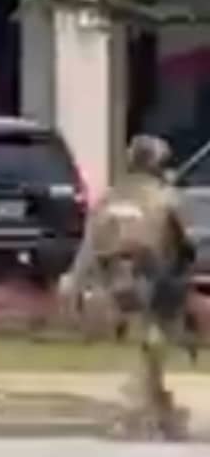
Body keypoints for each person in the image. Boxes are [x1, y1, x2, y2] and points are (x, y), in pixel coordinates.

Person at [67, 134, 195, 440]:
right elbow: (186, 245)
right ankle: (149, 402)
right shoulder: (166, 197)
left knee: (145, 339)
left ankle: (150, 399)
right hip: (149, 279)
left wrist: (77, 285)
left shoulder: (109, 197)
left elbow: (88, 247)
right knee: (162, 321)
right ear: (159, 165)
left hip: (107, 281)